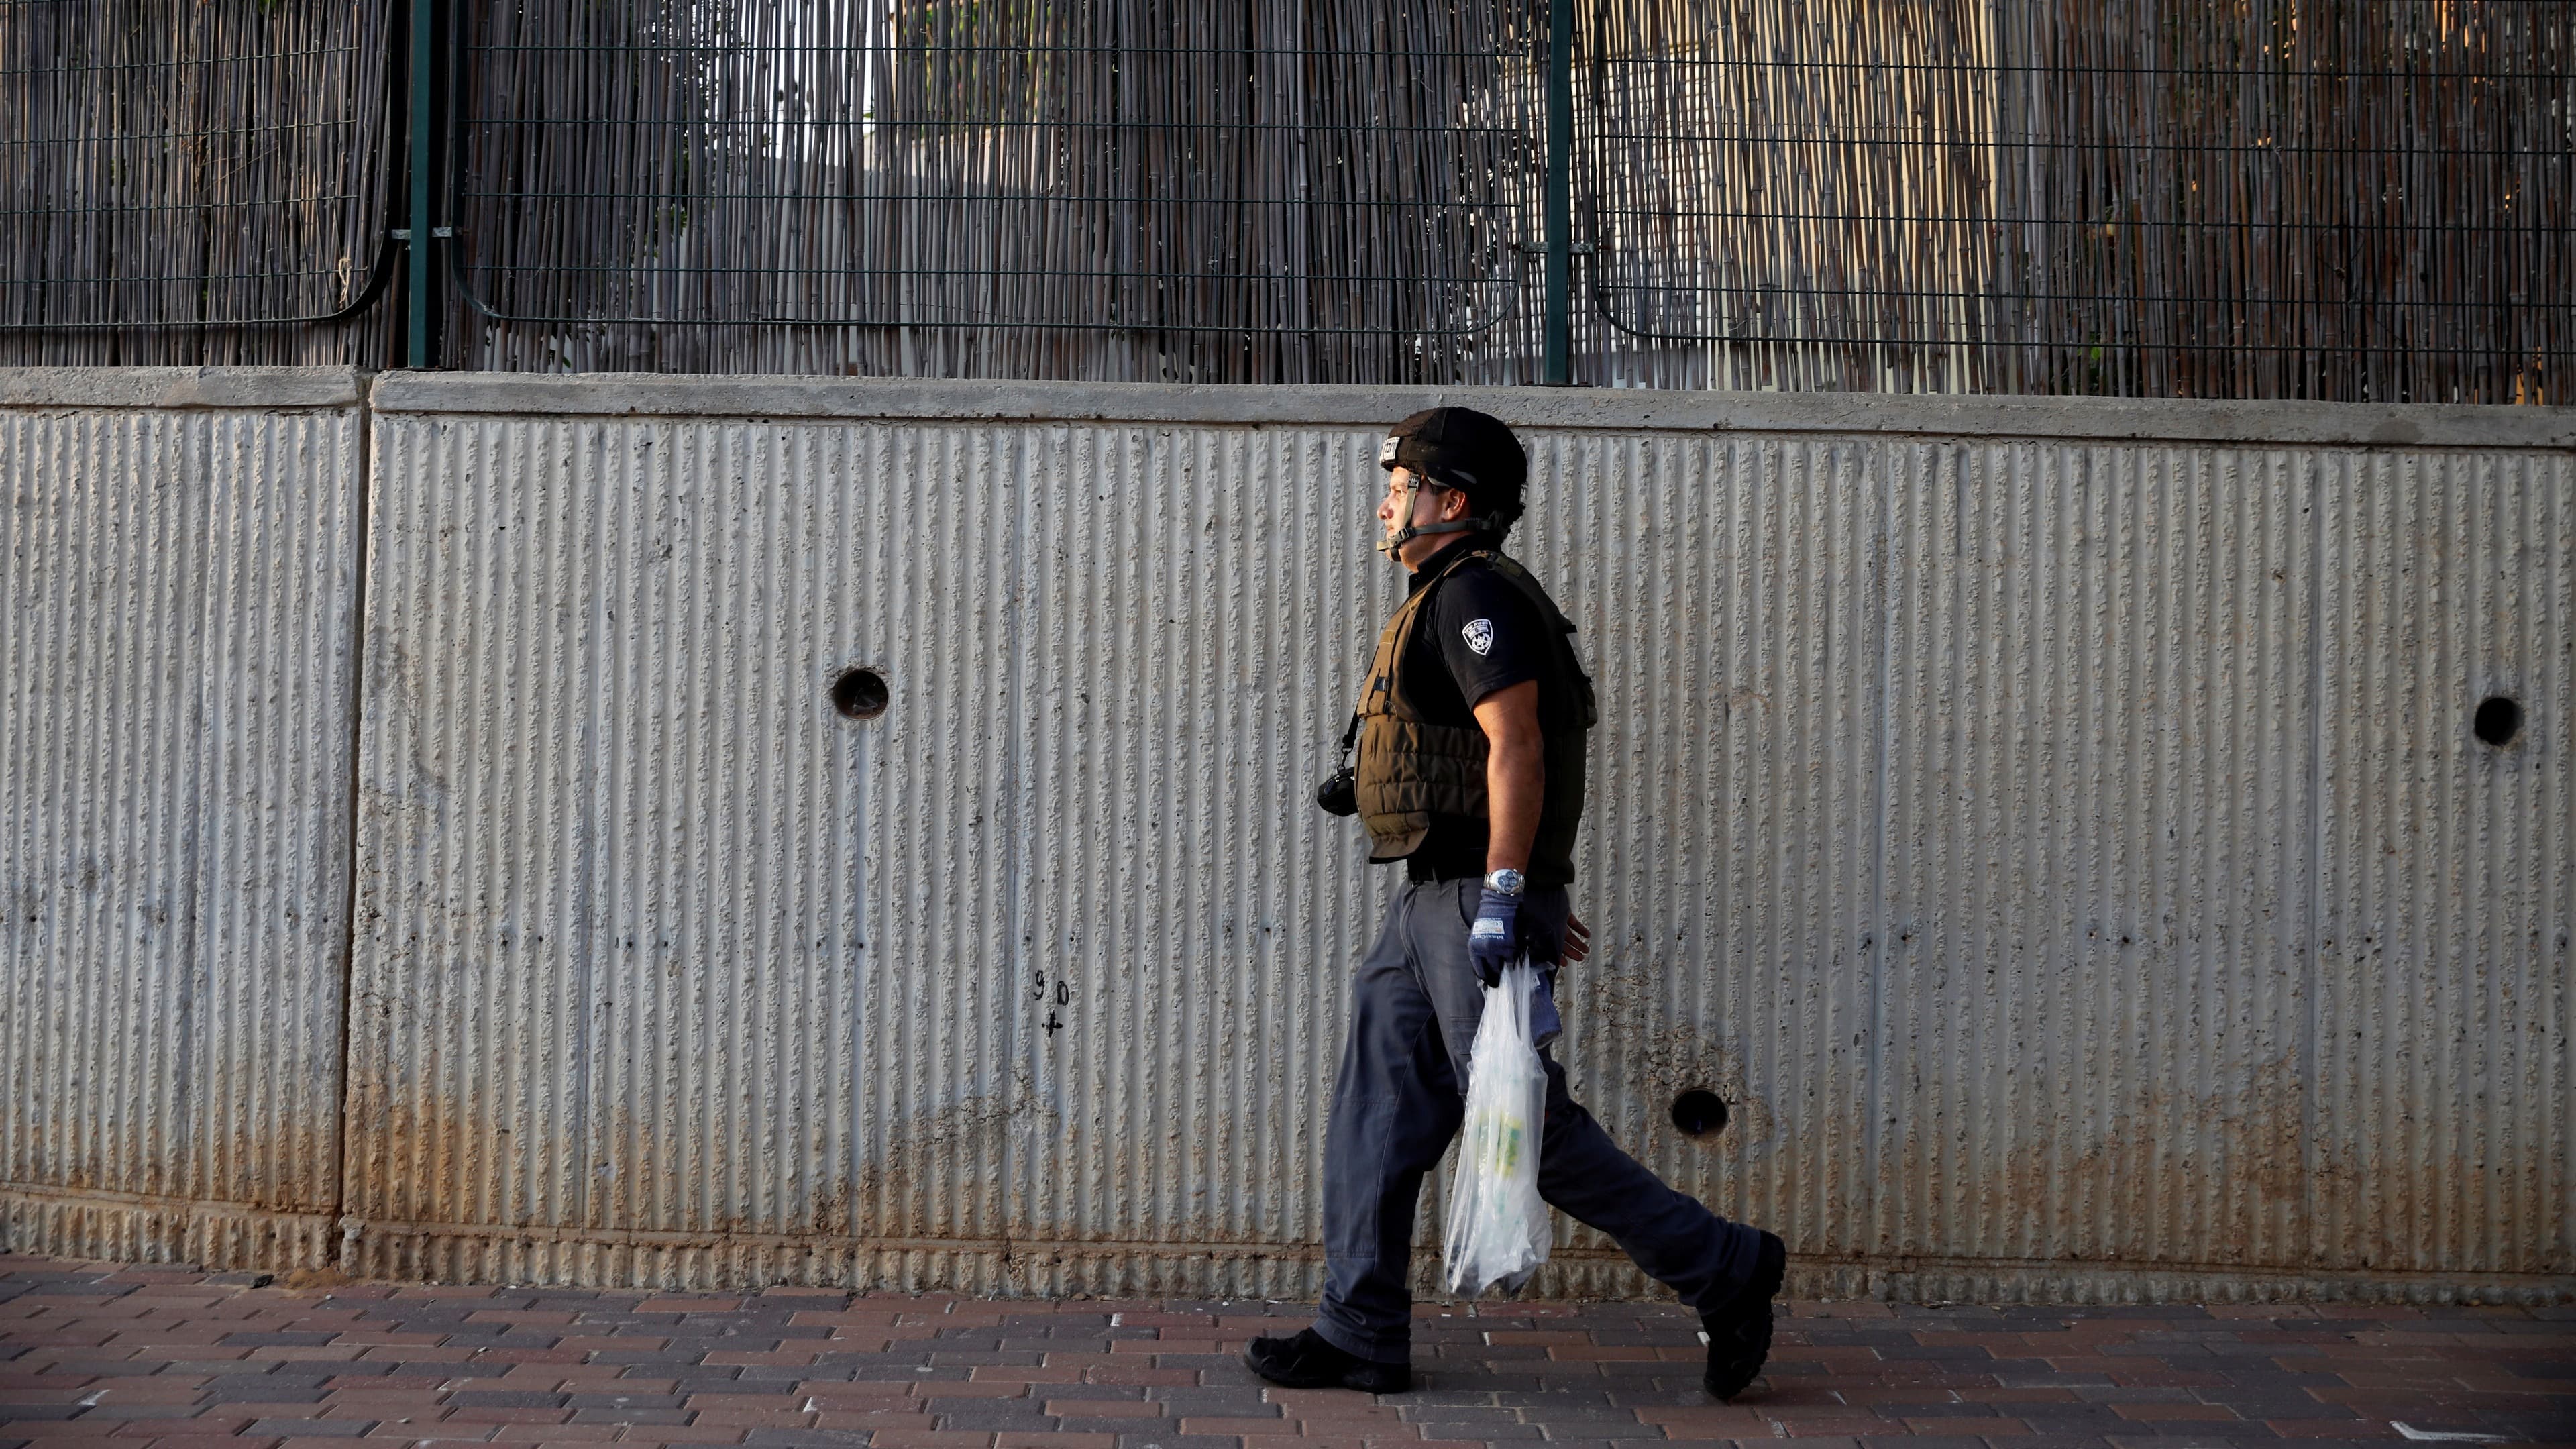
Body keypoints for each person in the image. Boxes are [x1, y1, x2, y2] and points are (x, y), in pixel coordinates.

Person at [1244, 407, 1786, 1401]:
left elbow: (1519, 746)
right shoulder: (1441, 596)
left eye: (1403, 487)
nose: (1386, 502)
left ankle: (1726, 1267)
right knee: (1377, 1113)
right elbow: (1448, 746)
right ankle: (1360, 1327)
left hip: (1466, 906)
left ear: (1452, 502)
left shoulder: (1474, 595)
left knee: (1525, 1126)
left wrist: (1509, 891)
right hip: (1425, 909)